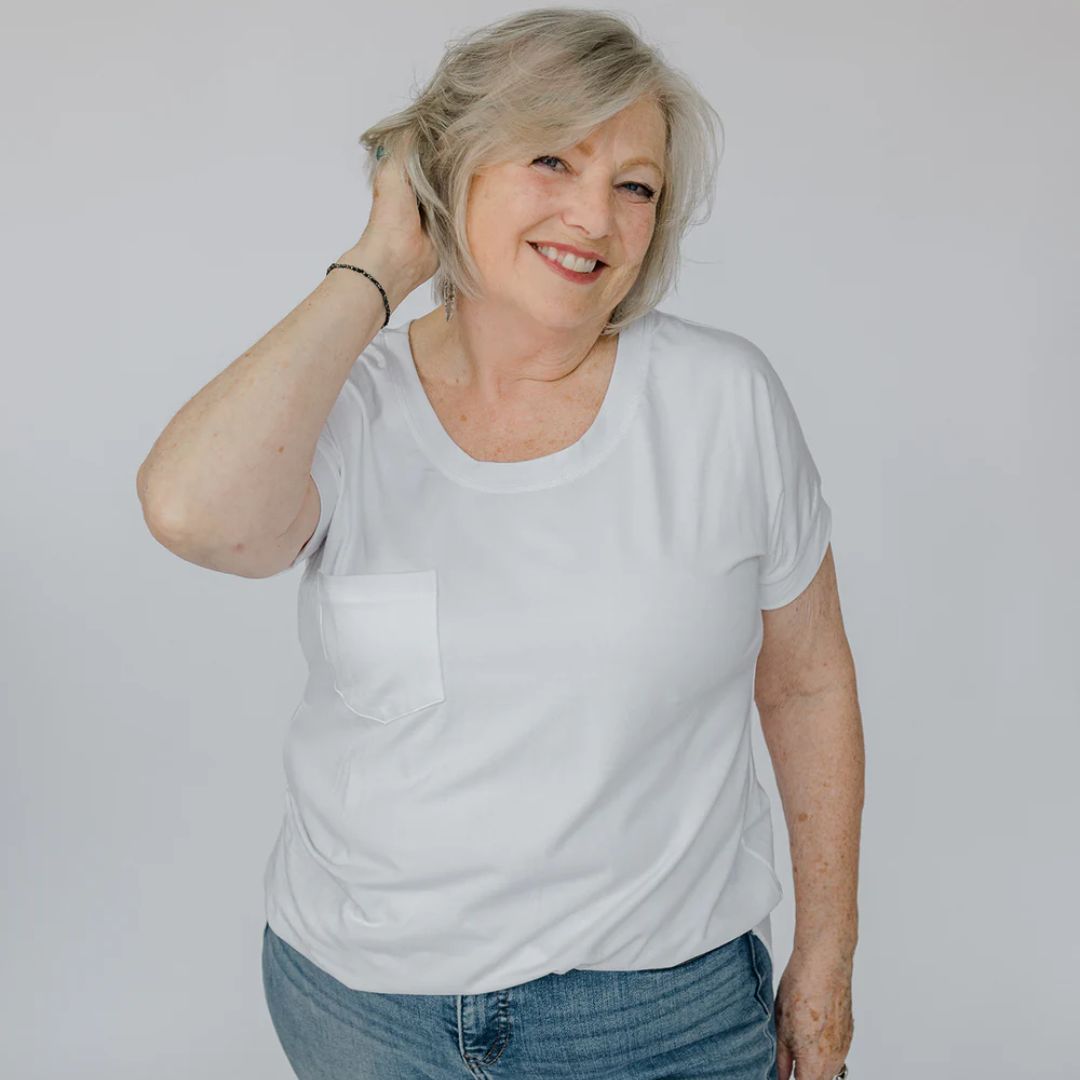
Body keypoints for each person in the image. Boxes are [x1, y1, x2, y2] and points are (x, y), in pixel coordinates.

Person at [136, 8, 863, 1080]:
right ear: (453, 165)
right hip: (364, 1013)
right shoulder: (345, 401)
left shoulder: (723, 401)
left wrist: (827, 958)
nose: (596, 216)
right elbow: (191, 513)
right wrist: (385, 256)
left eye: (636, 185)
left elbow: (806, 687)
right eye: (551, 157)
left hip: (658, 1022)